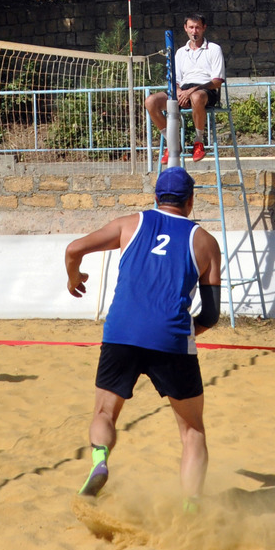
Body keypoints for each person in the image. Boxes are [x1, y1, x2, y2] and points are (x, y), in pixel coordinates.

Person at [65, 167, 222, 508]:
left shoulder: (129, 224)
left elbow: (74, 248)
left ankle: (100, 461)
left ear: (155, 197)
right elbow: (210, 315)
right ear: (190, 201)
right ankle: (192, 505)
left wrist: (73, 278)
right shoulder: (205, 242)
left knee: (104, 414)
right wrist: (180, 335)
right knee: (192, 430)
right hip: (172, 339)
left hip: (121, 332)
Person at [144, 13, 225, 163]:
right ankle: (172, 143)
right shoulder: (181, 52)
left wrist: (192, 91)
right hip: (183, 91)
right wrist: (180, 92)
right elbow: (175, 80)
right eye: (191, 27)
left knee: (196, 97)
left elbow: (218, 81)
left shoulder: (214, 49)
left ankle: (198, 141)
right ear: (186, 28)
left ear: (204, 28)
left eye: (198, 28)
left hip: (206, 90)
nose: (194, 31)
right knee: (151, 101)